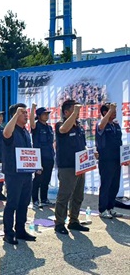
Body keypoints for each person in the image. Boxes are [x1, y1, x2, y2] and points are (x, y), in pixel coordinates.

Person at [1, 104, 36, 244]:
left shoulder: (25, 131)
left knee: (24, 203)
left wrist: (35, 165)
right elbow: (6, 134)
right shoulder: (11, 130)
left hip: (26, 174)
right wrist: (15, 115)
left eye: (26, 113)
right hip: (13, 173)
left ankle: (20, 230)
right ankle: (8, 232)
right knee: (12, 203)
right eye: (23, 113)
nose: (26, 115)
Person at [54, 99, 89, 234]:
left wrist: (91, 154)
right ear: (66, 112)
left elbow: (82, 144)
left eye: (77, 110)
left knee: (78, 195)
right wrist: (74, 114)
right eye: (74, 110)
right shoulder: (60, 124)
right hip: (67, 166)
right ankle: (59, 223)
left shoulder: (79, 126)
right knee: (64, 195)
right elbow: (64, 130)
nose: (77, 112)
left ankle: (73, 220)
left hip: (80, 166)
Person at [96, 102, 122, 219]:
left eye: (115, 111)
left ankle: (110, 208)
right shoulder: (101, 124)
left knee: (114, 185)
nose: (115, 113)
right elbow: (101, 126)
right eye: (112, 111)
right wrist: (110, 110)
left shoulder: (116, 125)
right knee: (106, 184)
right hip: (106, 160)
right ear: (105, 113)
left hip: (117, 159)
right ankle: (102, 209)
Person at [29, 104, 55, 208]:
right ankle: (35, 200)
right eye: (44, 114)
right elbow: (31, 123)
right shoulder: (36, 126)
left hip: (49, 156)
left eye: (47, 114)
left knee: (46, 179)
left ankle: (44, 199)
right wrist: (32, 109)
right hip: (39, 157)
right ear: (39, 116)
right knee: (38, 179)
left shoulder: (49, 127)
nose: (46, 115)